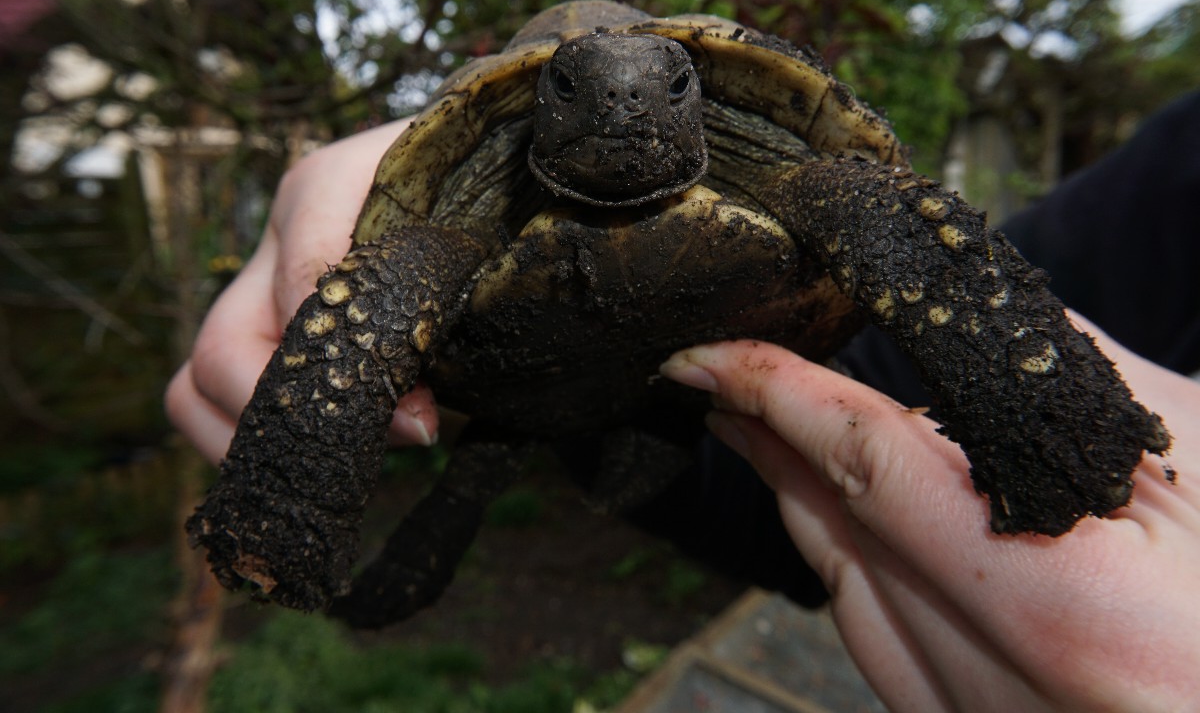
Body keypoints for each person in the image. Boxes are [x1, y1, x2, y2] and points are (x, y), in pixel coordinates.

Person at [166, 98, 1200, 711]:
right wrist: (294, 457)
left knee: (883, 216)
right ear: (547, 113)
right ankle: (288, 532)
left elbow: (848, 423)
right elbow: (836, 445)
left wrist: (1064, 441)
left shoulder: (814, 184)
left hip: (679, 392)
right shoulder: (1173, 188)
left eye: (665, 84)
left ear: (693, 101)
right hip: (590, 392)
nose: (625, 103)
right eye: (579, 90)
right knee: (399, 324)